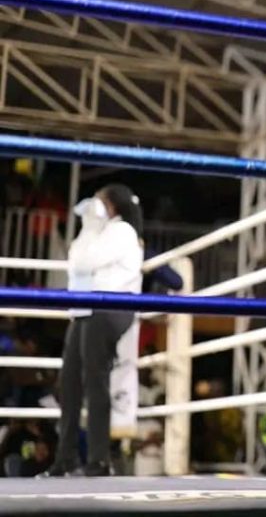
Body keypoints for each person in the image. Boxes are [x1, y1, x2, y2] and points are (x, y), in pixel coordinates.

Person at [41, 184, 144, 477]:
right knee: (69, 380)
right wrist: (90, 226)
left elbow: (86, 261)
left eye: (98, 202)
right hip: (86, 308)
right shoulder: (98, 232)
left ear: (111, 205)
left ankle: (99, 459)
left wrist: (90, 227)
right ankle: (66, 457)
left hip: (109, 308)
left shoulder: (121, 231)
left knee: (95, 381)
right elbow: (75, 261)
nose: (92, 207)